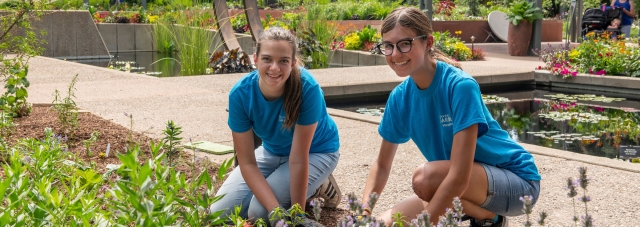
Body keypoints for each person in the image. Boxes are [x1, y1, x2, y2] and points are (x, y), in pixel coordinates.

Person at [359, 7, 541, 227]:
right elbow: (382, 165)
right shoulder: (399, 98)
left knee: (425, 180)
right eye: (388, 46)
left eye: (405, 43)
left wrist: (424, 224)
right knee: (381, 225)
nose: (395, 54)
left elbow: (459, 177)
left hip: (518, 184)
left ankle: (490, 219)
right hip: (464, 186)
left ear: (428, 43)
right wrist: (364, 211)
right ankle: (479, 213)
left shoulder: (460, 86)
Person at [210, 26, 341, 226]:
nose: (274, 68)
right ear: (255, 59)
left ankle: (320, 185)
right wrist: (276, 210)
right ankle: (291, 183)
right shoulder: (240, 94)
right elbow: (247, 163)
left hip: (317, 152)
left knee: (259, 214)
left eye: (283, 61)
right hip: (272, 151)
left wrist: (297, 216)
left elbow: (298, 159)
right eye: (267, 59)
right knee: (219, 214)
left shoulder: (308, 89)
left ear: (293, 63)